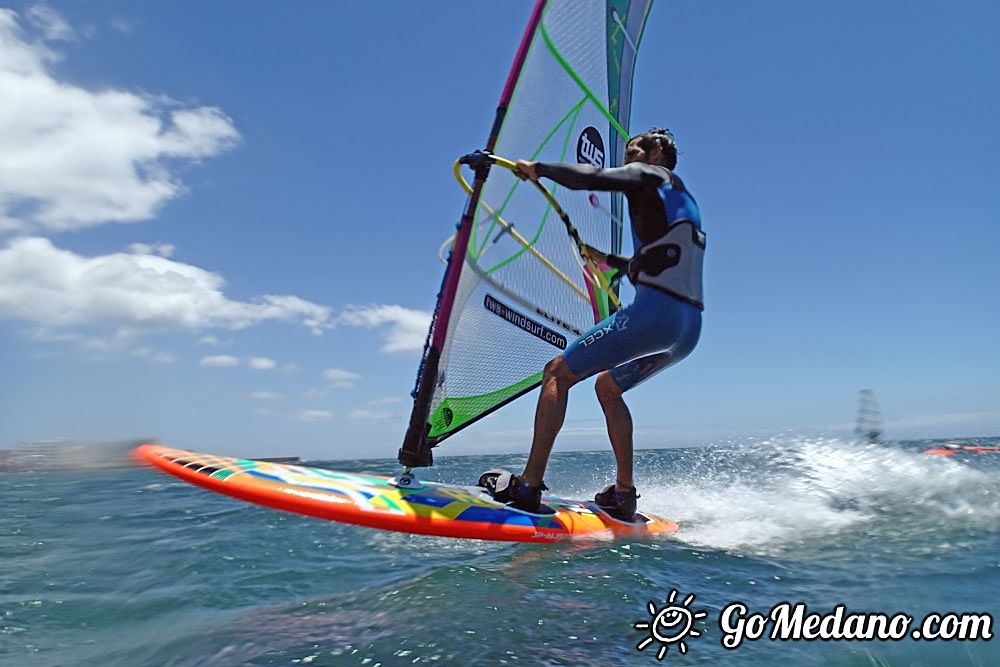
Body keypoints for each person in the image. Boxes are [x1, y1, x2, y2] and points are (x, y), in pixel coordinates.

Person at [484, 128, 705, 521]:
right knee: (607, 387)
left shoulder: (651, 176)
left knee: (556, 373)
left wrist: (540, 169)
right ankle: (623, 495)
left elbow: (593, 177)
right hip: (686, 330)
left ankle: (528, 485)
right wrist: (610, 261)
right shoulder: (681, 202)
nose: (627, 157)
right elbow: (657, 262)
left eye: (633, 149)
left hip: (655, 315)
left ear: (656, 152)